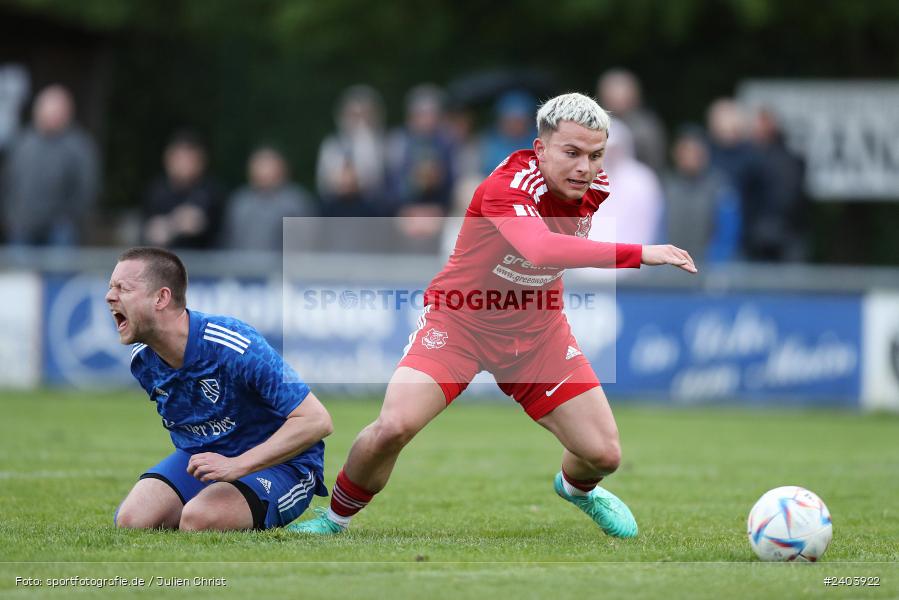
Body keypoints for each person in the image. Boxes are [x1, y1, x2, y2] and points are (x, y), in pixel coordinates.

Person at [289, 93, 695, 538]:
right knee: (393, 427)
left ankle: (576, 489)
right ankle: (335, 519)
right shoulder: (509, 185)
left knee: (604, 455)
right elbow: (540, 248)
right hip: (460, 323)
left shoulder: (594, 187)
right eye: (572, 152)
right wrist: (640, 253)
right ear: (541, 149)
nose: (585, 167)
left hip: (537, 333)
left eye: (595, 155)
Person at [108, 247, 332, 531]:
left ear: (161, 298)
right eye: (110, 287)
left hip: (283, 466)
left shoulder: (233, 345)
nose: (109, 296)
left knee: (198, 519)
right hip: (206, 460)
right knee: (131, 521)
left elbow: (316, 420)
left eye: (123, 288)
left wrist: (237, 465)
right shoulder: (143, 360)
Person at [0, 84, 99, 246]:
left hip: (60, 230)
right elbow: (8, 180)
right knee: (18, 264)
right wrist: (9, 216)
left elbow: (86, 188)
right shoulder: (22, 142)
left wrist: (68, 218)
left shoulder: (79, 146)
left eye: (56, 111)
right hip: (21, 226)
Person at [663, 125, 741, 264]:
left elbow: (727, 235)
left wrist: (714, 265)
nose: (690, 156)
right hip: (670, 266)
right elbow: (658, 230)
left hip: (706, 268)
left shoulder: (720, 187)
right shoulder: (666, 186)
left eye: (695, 151)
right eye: (685, 150)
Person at [221, 145, 317, 252]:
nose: (264, 171)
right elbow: (228, 239)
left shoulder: (296, 201)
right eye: (259, 165)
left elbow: (306, 242)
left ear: (282, 168)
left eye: (268, 165)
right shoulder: (240, 200)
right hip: (241, 261)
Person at [142, 131, 224, 249]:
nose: (184, 164)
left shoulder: (211, 191)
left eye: (190, 159)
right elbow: (149, 228)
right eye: (179, 158)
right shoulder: (156, 190)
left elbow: (214, 230)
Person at [597, 69, 667, 173]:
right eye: (612, 92)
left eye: (621, 92)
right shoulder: (594, 123)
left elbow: (654, 162)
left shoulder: (646, 128)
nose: (617, 98)